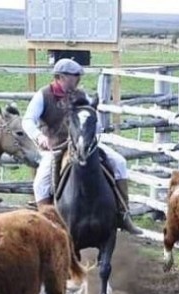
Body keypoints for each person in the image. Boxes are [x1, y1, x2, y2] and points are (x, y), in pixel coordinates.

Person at [23, 58, 142, 235]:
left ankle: (124, 215)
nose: (77, 80)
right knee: (41, 183)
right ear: (60, 77)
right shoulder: (43, 95)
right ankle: (47, 224)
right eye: (74, 76)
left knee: (120, 162)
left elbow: (95, 121)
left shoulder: (81, 95)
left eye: (78, 77)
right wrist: (39, 136)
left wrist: (94, 129)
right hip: (56, 147)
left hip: (85, 144)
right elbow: (27, 121)